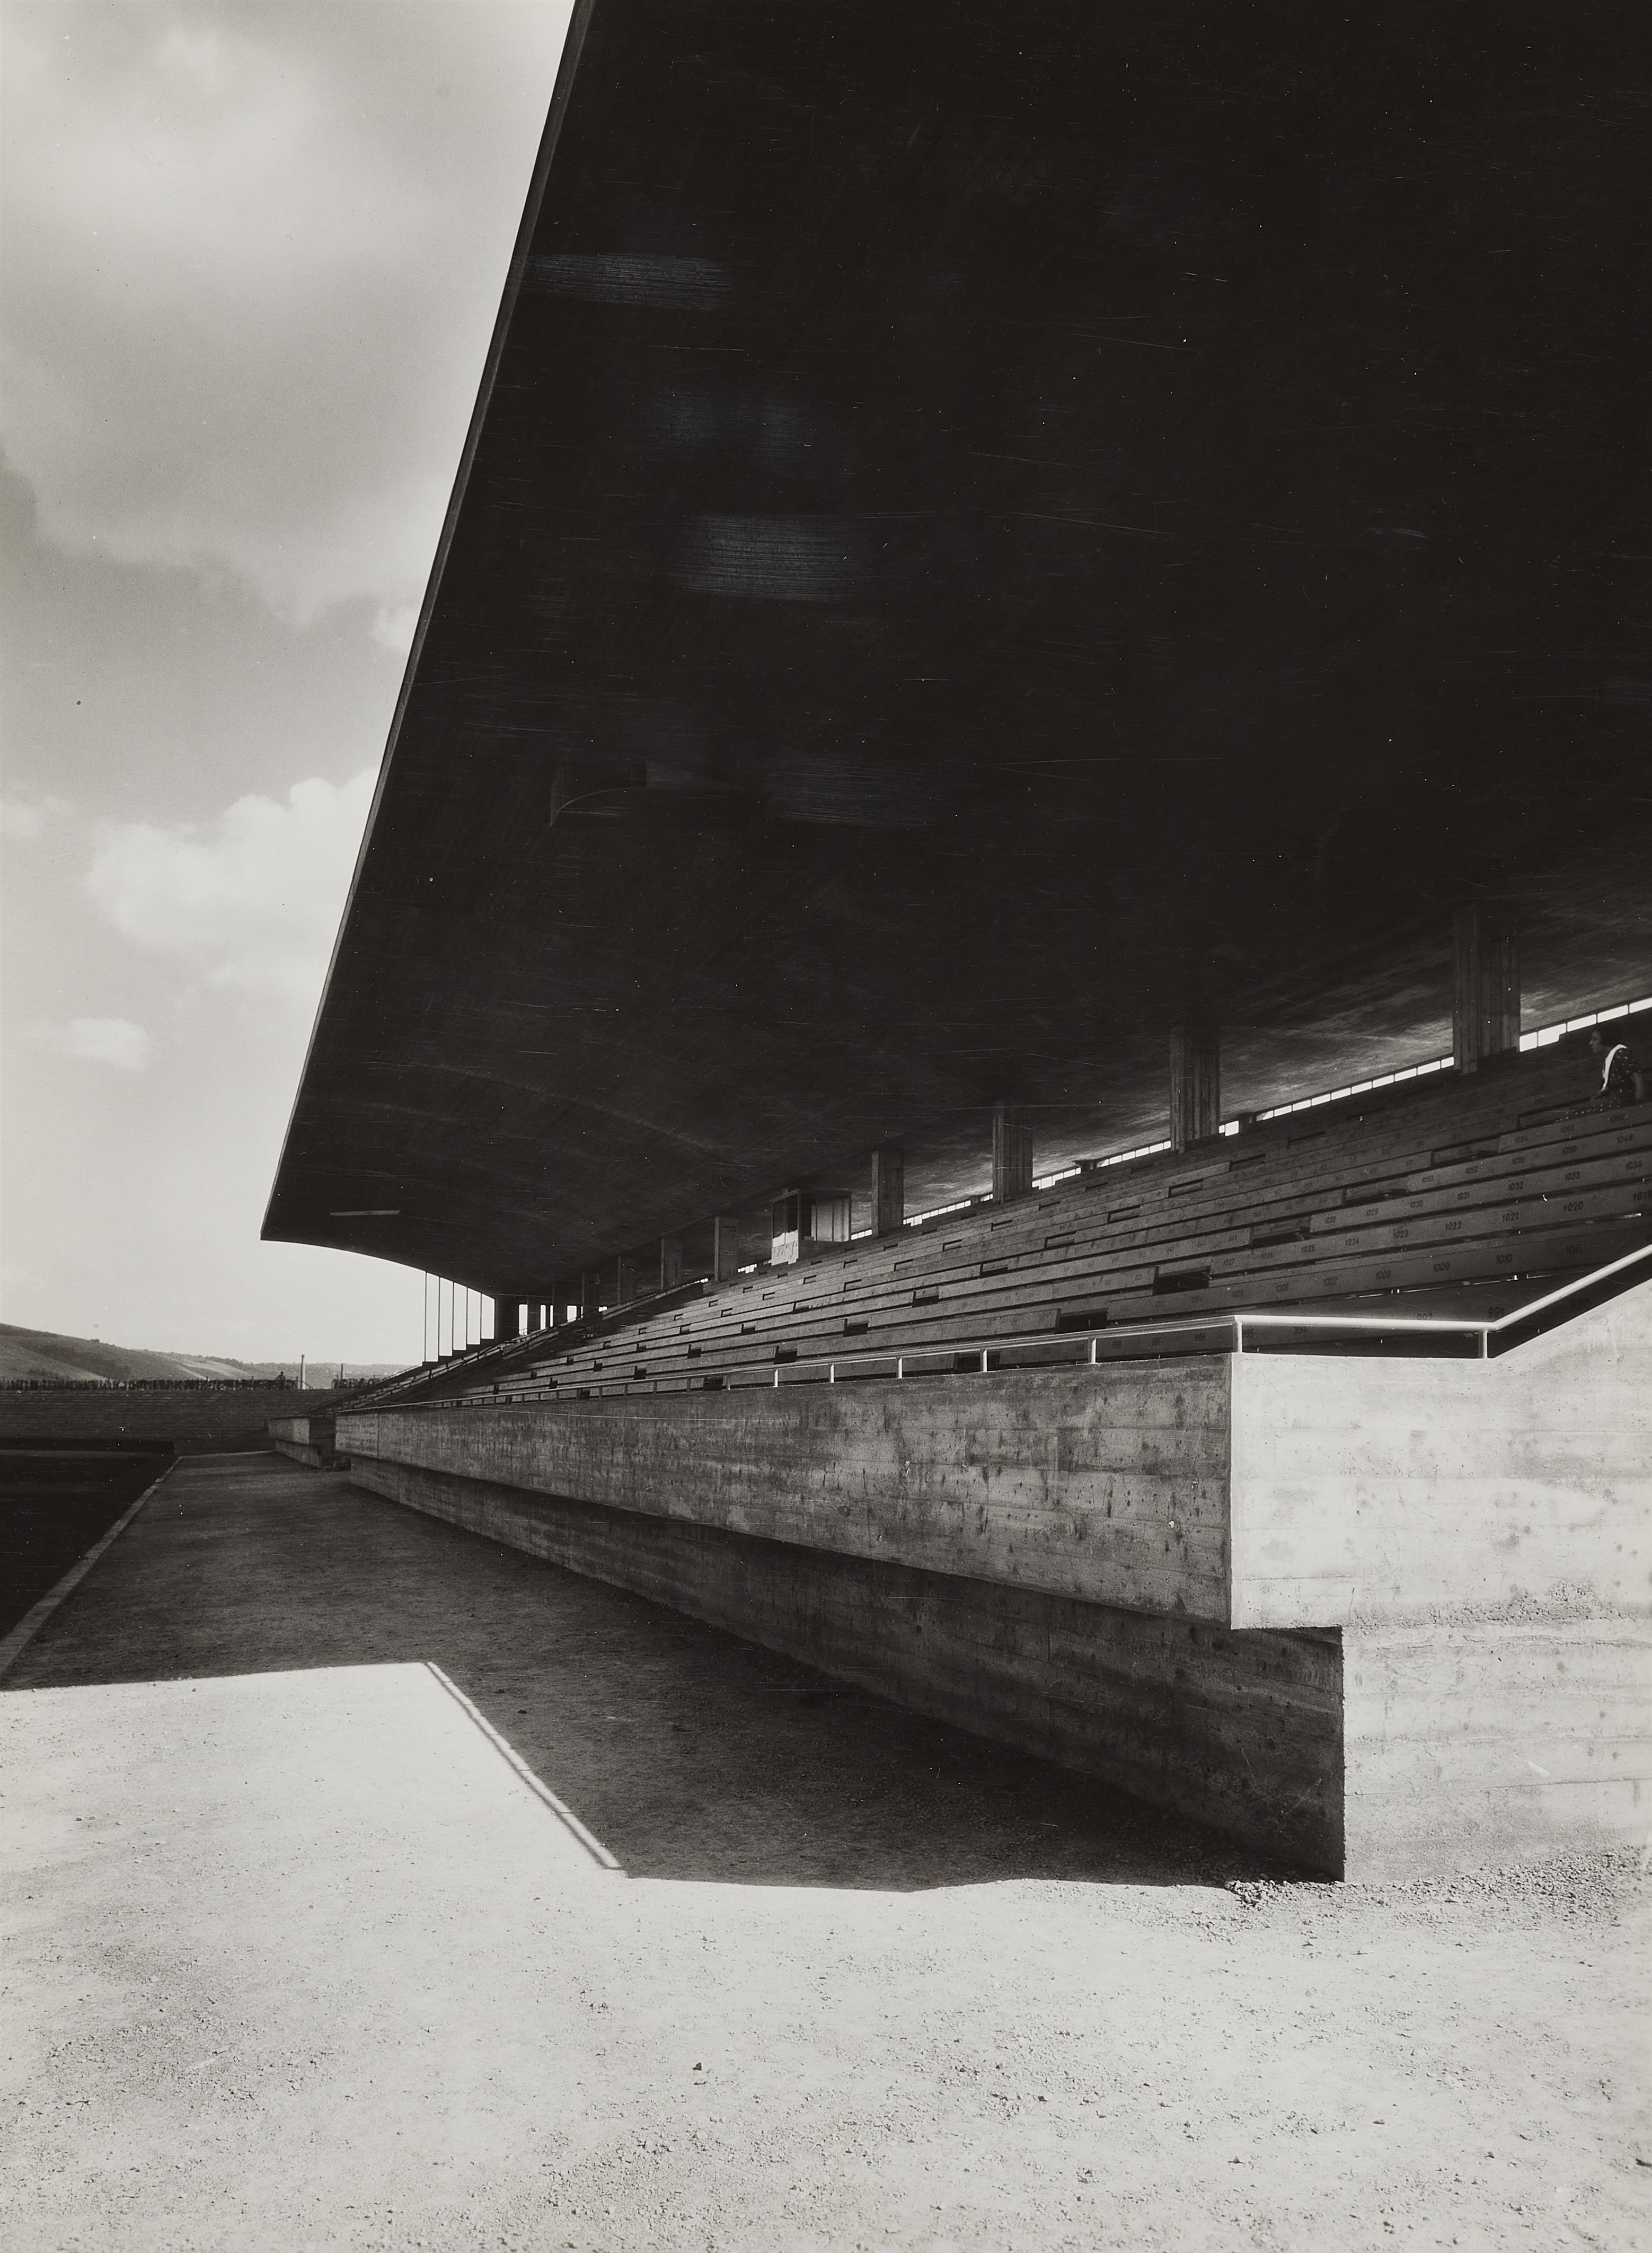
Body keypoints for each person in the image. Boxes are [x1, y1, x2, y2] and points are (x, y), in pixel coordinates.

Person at [1587, 1024, 1645, 1108]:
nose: (1591, 1043)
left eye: (1595, 1039)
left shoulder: (1621, 1054)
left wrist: (1638, 1108)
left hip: (1627, 1107)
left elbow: (1638, 1082)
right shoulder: (1609, 1059)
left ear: (1606, 1039)